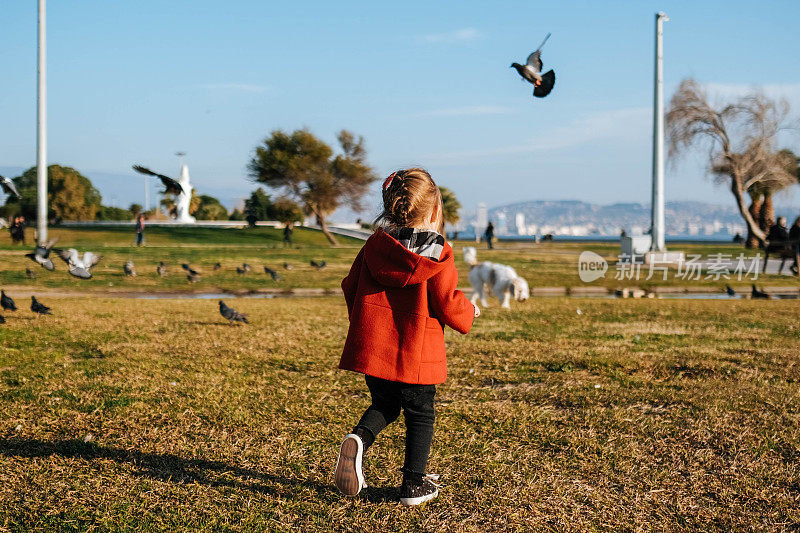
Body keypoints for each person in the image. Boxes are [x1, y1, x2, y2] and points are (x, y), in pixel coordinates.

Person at [334, 168, 479, 506]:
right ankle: (414, 485)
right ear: (434, 210)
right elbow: (447, 300)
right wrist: (469, 311)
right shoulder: (439, 253)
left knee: (385, 404)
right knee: (420, 412)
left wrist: (366, 324)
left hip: (377, 351)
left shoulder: (373, 246)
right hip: (416, 353)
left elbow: (349, 286)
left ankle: (359, 438)